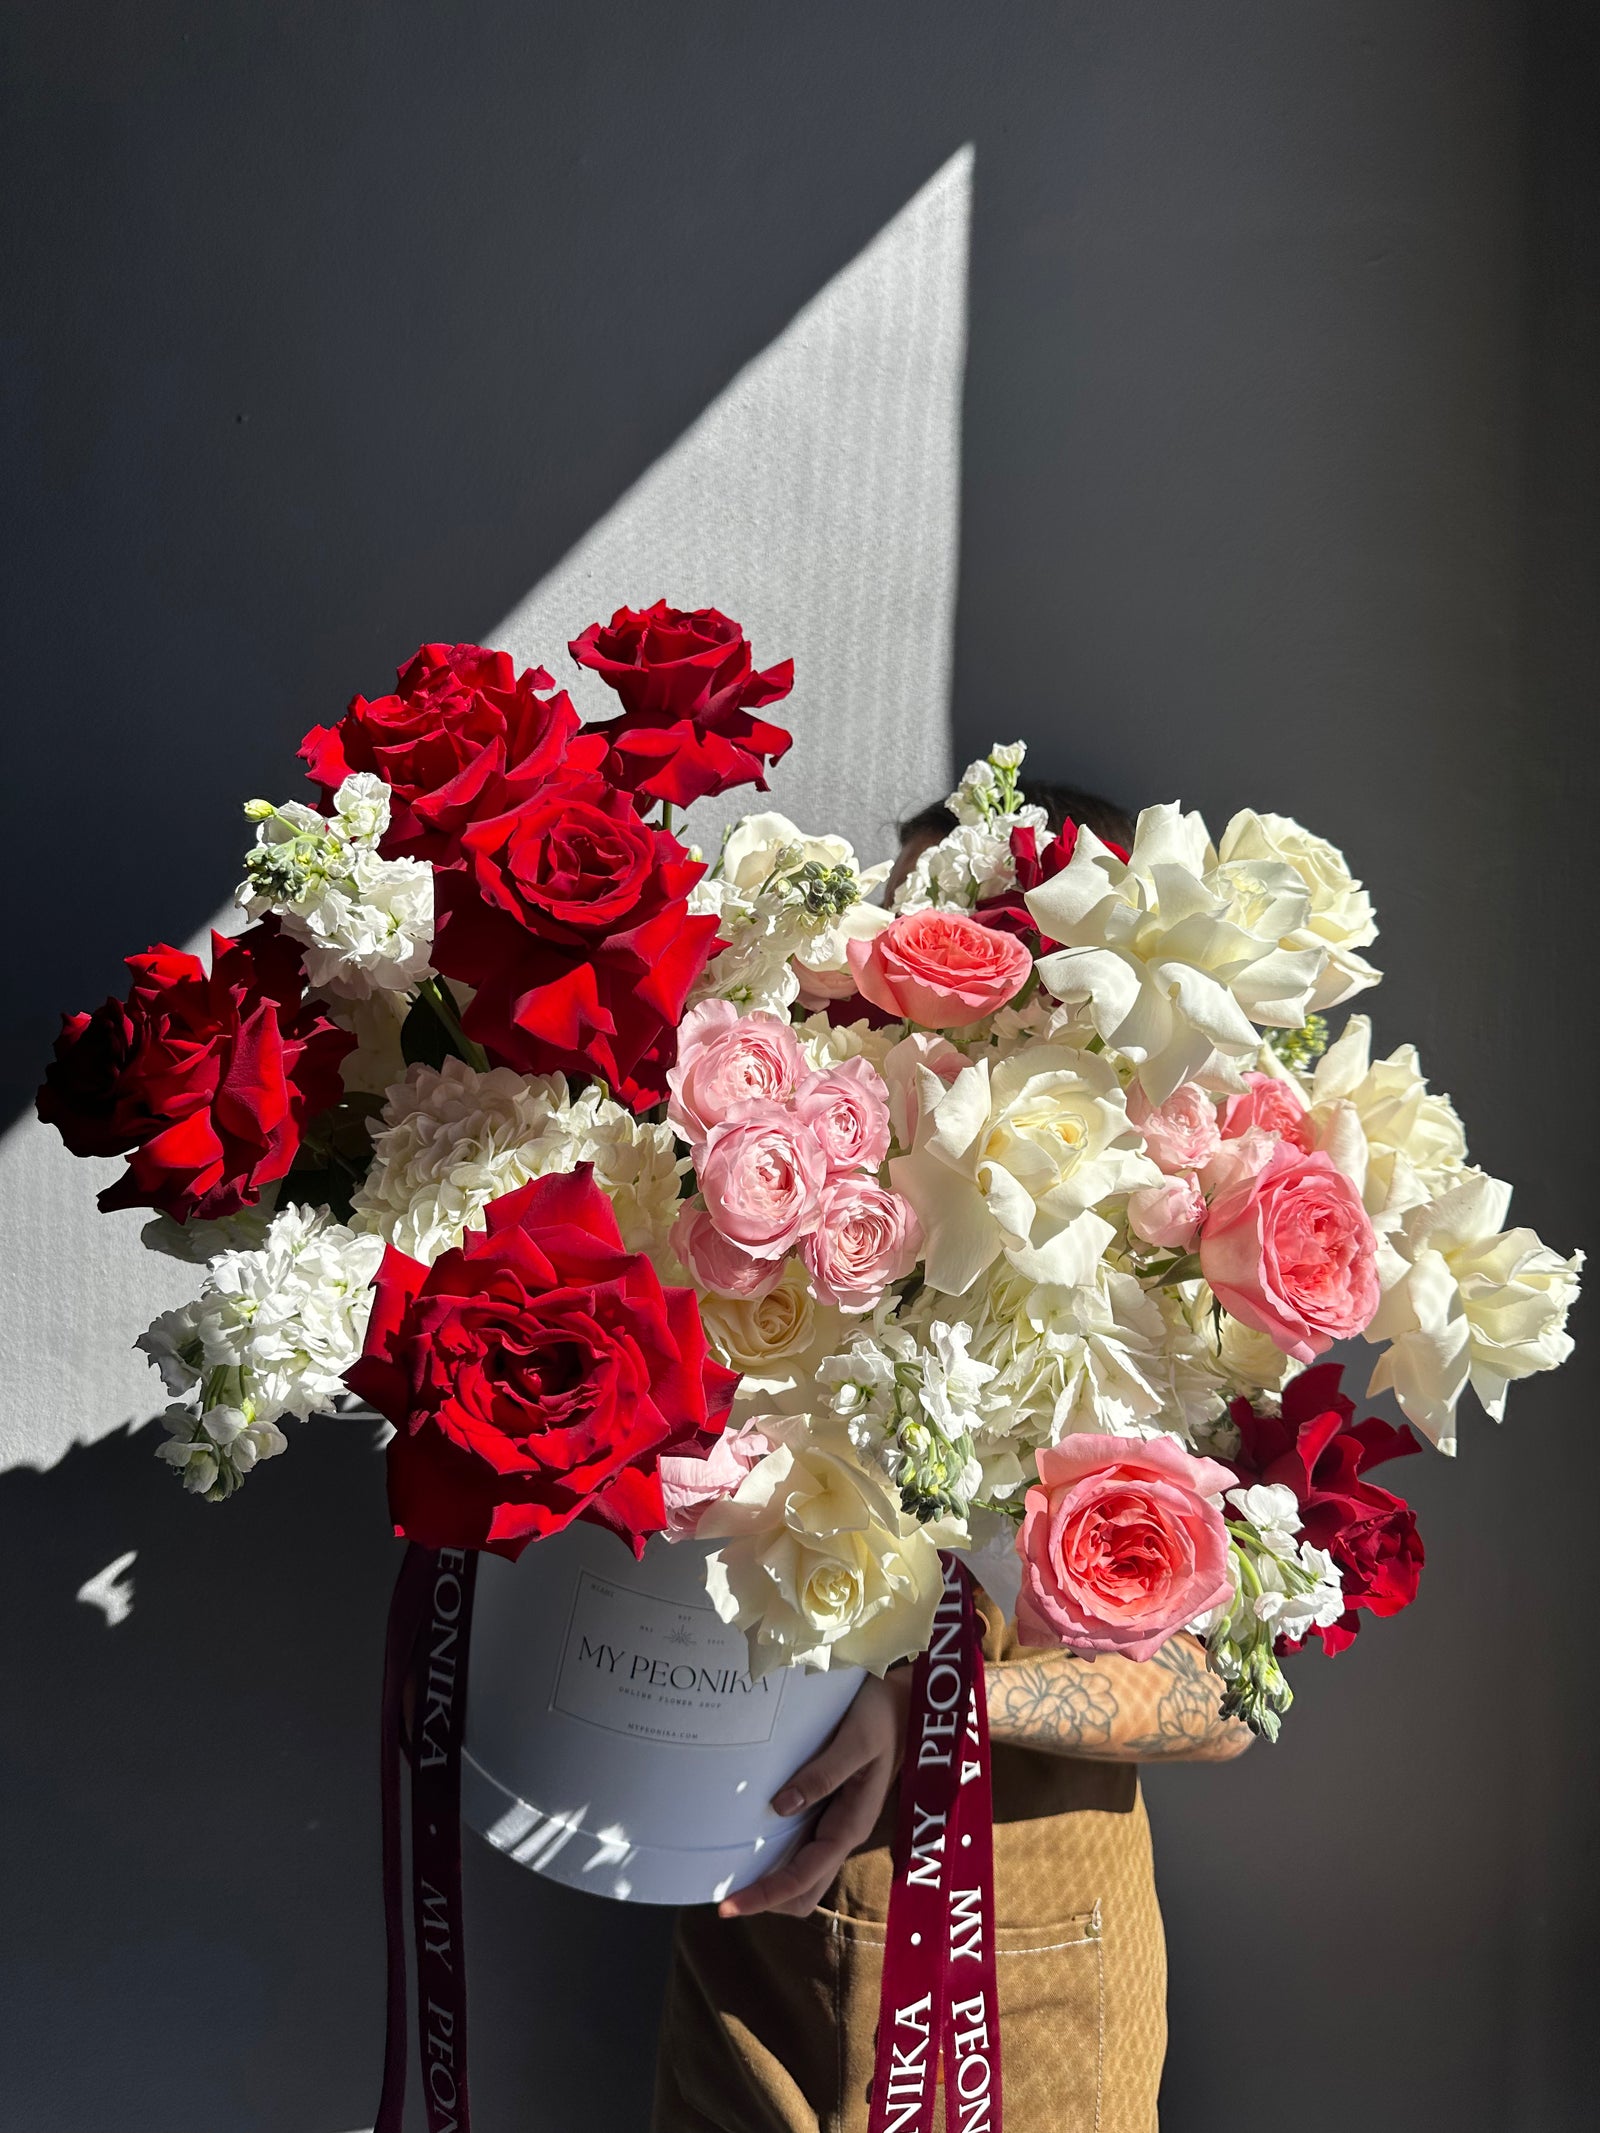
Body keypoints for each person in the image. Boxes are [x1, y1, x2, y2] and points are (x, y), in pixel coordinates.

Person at [651, 780, 1253, 2133]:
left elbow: (1226, 1700)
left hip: (1026, 1964)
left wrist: (935, 1700)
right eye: (895, 956)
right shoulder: (797, 1234)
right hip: (754, 1943)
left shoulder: (1187, 1276)